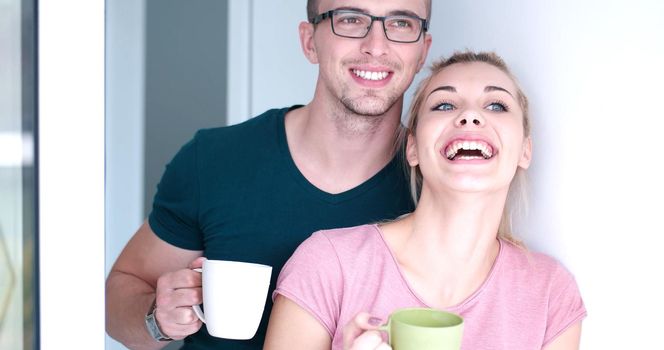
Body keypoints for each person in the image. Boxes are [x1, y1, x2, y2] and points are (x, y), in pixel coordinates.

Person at [105, 0, 432, 349]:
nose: (376, 46)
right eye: (350, 20)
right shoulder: (214, 159)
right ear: (309, 41)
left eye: (401, 23)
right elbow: (119, 296)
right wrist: (159, 318)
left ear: (423, 51)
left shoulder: (436, 188)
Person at [264, 51, 587, 350]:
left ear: (525, 150)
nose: (471, 116)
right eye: (445, 105)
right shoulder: (327, 264)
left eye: (496, 106)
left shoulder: (550, 292)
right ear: (413, 148)